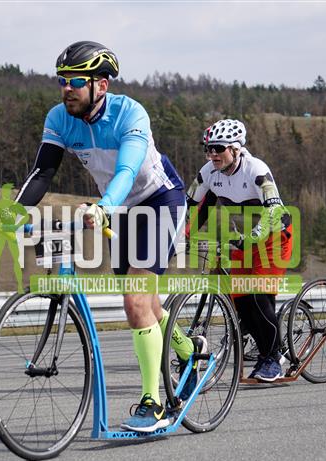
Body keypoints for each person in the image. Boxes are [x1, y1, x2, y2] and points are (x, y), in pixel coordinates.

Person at [14, 41, 205, 432]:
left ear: (101, 85)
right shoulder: (59, 118)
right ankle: (188, 350)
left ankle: (154, 404)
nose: (66, 89)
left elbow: (126, 171)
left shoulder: (130, 114)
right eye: (62, 81)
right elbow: (43, 173)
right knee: (145, 304)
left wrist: (104, 206)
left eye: (75, 82)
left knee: (135, 299)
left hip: (159, 200)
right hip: (118, 209)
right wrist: (14, 212)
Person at [186, 119, 293, 382]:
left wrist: (253, 237)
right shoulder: (209, 172)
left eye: (218, 149)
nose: (212, 154)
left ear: (235, 149)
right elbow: (190, 206)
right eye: (208, 149)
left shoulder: (256, 169)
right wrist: (181, 235)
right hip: (242, 240)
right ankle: (263, 345)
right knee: (241, 301)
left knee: (257, 296)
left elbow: (274, 210)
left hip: (273, 238)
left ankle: (273, 358)